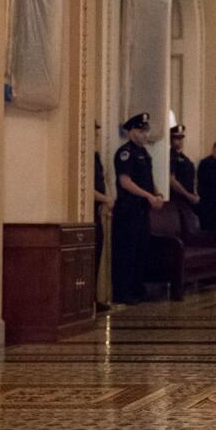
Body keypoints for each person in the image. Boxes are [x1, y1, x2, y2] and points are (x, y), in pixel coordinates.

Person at [112, 112, 164, 305]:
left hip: (142, 211)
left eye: (146, 131)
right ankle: (122, 292)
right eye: (141, 131)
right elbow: (125, 182)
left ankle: (136, 289)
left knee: (140, 251)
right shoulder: (125, 153)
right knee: (127, 252)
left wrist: (157, 194)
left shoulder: (144, 153)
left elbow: (148, 181)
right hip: (128, 211)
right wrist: (148, 196)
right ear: (131, 131)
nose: (144, 135)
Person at [93, 121, 114, 310]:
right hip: (88, 212)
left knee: (97, 254)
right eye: (94, 133)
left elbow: (102, 181)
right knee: (91, 255)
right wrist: (105, 199)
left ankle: (93, 298)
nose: (96, 137)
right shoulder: (85, 157)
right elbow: (86, 187)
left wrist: (107, 200)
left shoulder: (95, 157)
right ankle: (89, 299)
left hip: (98, 211)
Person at [169, 124, 199, 208]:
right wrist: (187, 195)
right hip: (176, 200)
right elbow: (171, 179)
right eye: (177, 138)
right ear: (171, 139)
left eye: (181, 138)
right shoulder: (170, 156)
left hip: (187, 201)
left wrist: (194, 193)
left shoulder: (184, 158)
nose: (180, 141)